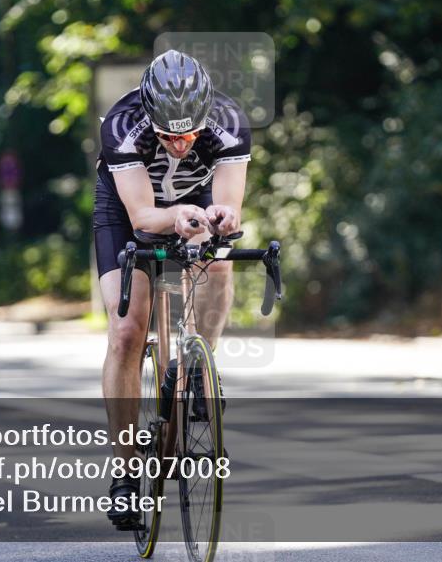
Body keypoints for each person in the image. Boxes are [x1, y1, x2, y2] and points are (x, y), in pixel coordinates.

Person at [94, 50, 251, 529]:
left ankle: (200, 366)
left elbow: (229, 204)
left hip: (195, 203)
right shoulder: (122, 125)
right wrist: (174, 217)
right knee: (126, 332)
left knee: (219, 265)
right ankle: (123, 473)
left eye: (189, 133)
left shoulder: (227, 122)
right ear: (149, 116)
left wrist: (222, 216)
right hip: (128, 213)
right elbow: (143, 218)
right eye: (168, 135)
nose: (181, 144)